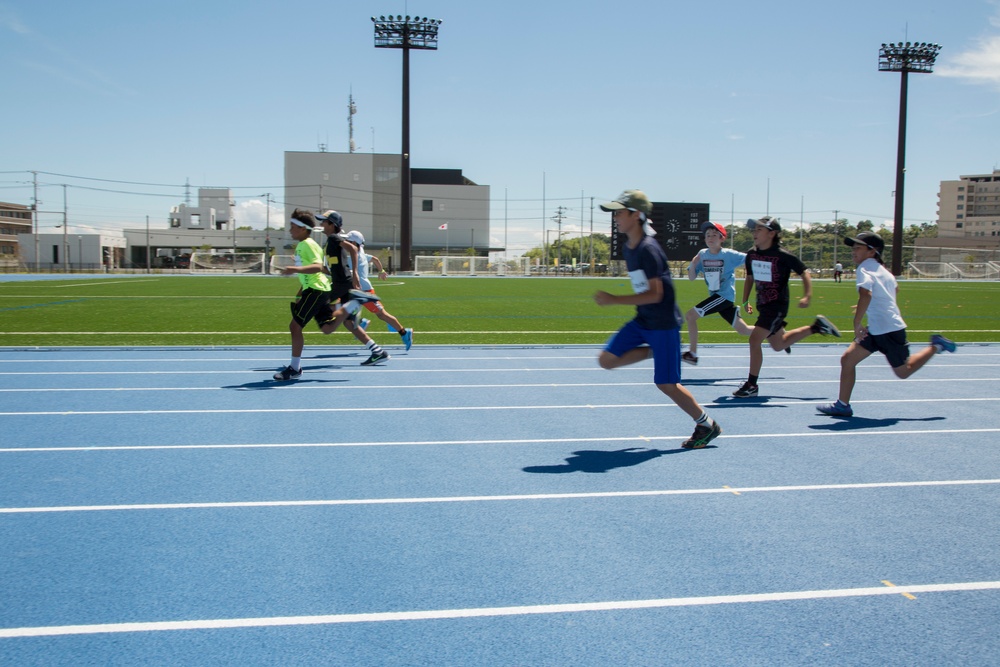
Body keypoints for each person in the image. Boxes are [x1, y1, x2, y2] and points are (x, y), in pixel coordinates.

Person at [592, 190, 721, 449]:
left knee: (666, 384)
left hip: (663, 325)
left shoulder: (648, 249)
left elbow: (655, 293)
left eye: (619, 212)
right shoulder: (629, 246)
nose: (615, 217)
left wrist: (614, 299)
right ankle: (654, 352)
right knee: (606, 360)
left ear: (636, 215)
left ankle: (706, 424)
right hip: (644, 320)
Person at [818, 232, 956, 417]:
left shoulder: (865, 268)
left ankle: (936, 345)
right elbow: (894, 290)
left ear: (872, 251)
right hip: (877, 329)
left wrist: (857, 321)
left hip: (889, 330)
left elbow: (866, 293)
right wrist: (873, 307)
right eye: (853, 248)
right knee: (847, 360)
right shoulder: (883, 270)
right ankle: (843, 405)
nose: (854, 251)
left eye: (858, 248)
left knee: (903, 372)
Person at [733, 216, 842, 398]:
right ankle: (816, 327)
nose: (754, 233)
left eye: (759, 229)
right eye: (754, 230)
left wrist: (807, 295)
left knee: (754, 340)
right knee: (779, 345)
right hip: (763, 305)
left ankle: (752, 385)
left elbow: (804, 272)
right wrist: (745, 301)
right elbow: (750, 278)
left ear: (772, 233)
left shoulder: (783, 255)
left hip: (776, 306)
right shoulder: (752, 254)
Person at [316, 211, 390, 366]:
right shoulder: (330, 242)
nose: (321, 224)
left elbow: (353, 249)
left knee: (317, 306)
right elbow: (332, 267)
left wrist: (355, 273)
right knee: (349, 323)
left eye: (324, 222)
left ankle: (356, 302)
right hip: (341, 283)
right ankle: (377, 351)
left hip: (342, 284)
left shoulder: (334, 238)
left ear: (332, 225)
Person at [272, 209, 333, 381]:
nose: (290, 230)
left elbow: (318, 266)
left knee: (295, 326)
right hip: (315, 289)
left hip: (316, 289)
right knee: (327, 328)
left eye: (293, 226)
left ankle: (294, 368)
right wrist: (301, 291)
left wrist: (295, 268)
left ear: (303, 229)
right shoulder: (303, 246)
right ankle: (348, 309)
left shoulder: (307, 244)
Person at [682, 221, 753, 365]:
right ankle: (773, 331)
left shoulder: (728, 255)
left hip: (724, 296)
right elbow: (691, 278)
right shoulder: (702, 254)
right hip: (716, 297)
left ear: (722, 239)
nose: (710, 238)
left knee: (690, 316)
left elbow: (750, 260)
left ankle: (693, 353)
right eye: (707, 235)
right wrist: (694, 264)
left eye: (714, 235)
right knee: (743, 329)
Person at [345, 230, 414, 351]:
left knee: (382, 315)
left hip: (364, 291)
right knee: (342, 310)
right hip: (356, 291)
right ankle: (361, 323)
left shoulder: (353, 256)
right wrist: (381, 271)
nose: (344, 243)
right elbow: (375, 259)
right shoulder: (360, 253)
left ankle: (404, 332)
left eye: (347, 241)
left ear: (354, 243)